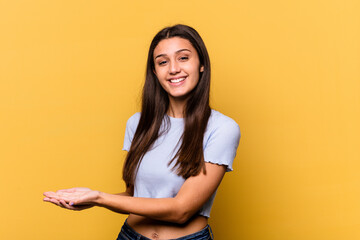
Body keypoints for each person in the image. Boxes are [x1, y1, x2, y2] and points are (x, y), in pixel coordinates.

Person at [43, 24, 241, 240]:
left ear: (201, 64)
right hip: (130, 236)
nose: (173, 69)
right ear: (155, 72)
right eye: (163, 62)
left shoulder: (221, 128)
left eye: (183, 58)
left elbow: (181, 210)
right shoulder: (138, 124)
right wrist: (89, 200)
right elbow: (133, 196)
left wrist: (100, 198)